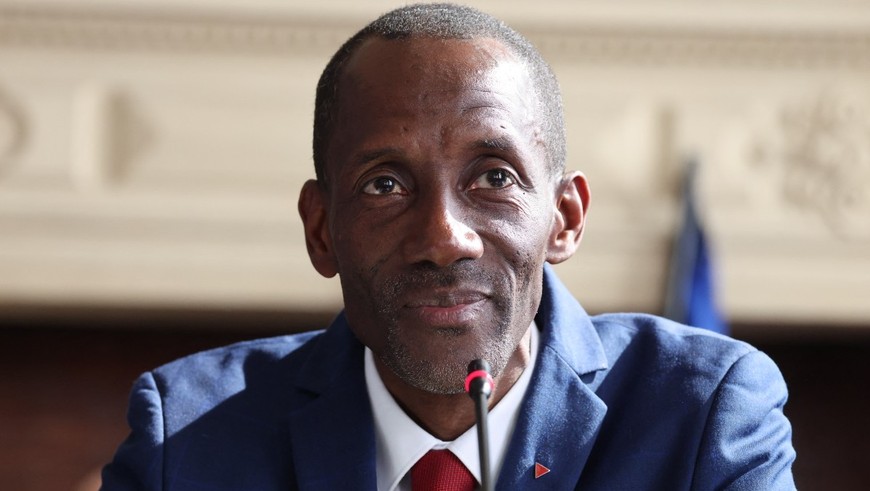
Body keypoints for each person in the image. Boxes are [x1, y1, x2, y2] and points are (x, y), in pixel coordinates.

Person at [101, 3, 796, 490]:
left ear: (564, 217)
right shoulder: (187, 436)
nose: (443, 237)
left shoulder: (703, 413)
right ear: (321, 229)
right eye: (383, 185)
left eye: (493, 176)